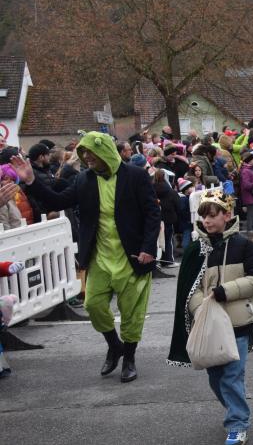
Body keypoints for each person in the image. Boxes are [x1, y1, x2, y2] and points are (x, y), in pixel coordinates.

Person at [12, 131, 160, 383]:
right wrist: (31, 181)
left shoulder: (134, 176)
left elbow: (152, 213)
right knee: (92, 304)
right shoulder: (84, 180)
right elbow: (56, 201)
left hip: (132, 256)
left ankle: (130, 358)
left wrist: (148, 247)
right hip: (99, 257)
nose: (88, 159)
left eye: (91, 154)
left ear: (105, 153)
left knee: (131, 313)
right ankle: (115, 346)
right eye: (84, 155)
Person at [166, 189, 253, 445]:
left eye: (212, 215)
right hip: (210, 326)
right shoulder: (195, 250)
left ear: (227, 214)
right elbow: (190, 290)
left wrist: (226, 292)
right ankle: (237, 407)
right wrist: (203, 307)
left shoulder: (243, 245)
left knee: (232, 376)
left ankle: (237, 423)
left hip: (237, 324)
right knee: (216, 378)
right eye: (204, 217)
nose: (207, 221)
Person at [152, 169, 180, 267]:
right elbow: (177, 204)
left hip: (156, 218)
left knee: (156, 240)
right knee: (168, 240)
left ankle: (156, 261)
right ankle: (168, 260)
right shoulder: (170, 191)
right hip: (168, 218)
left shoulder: (151, 189)